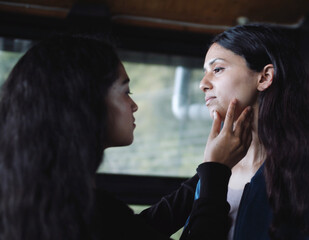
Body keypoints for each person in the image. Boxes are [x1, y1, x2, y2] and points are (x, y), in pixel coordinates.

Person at [0, 35, 252, 240]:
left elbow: (137, 228)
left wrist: (212, 169)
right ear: (85, 102)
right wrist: (216, 171)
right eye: (125, 91)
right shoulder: (77, 212)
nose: (133, 105)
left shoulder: (41, 198)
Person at [184, 24, 309, 240]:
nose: (202, 84)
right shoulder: (213, 174)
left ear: (264, 77)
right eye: (205, 73)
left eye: (217, 69)